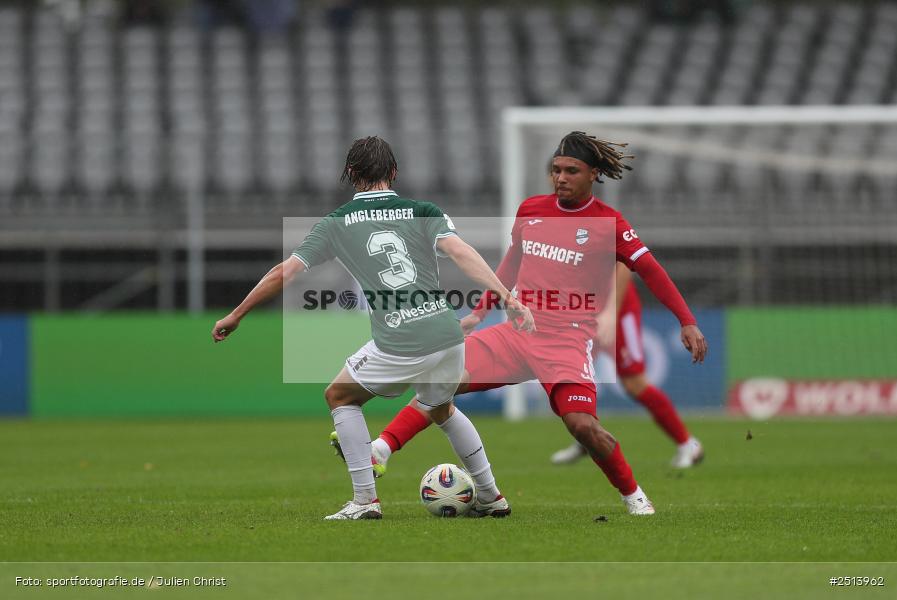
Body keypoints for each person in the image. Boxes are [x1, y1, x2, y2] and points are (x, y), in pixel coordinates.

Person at [354, 131, 708, 517]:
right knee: (440, 379)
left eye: (571, 171)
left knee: (582, 426)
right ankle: (381, 449)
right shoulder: (531, 210)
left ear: (593, 174)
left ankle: (634, 495)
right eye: (556, 170)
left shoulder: (609, 223)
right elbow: (511, 265)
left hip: (566, 341)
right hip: (517, 333)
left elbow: (650, 270)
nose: (561, 178)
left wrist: (686, 321)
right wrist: (479, 313)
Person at [212, 136, 534, 520]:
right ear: (393, 172)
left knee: (339, 396)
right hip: (448, 334)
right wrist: (507, 297)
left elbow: (285, 272)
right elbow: (461, 253)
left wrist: (237, 314)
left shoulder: (335, 224)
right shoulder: (423, 210)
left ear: (350, 173)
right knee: (441, 409)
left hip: (402, 338)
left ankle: (365, 500)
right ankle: (491, 495)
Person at [550, 262, 704, 467]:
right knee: (573, 375)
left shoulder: (606, 238)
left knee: (634, 383)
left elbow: (622, 265)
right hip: (585, 306)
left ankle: (688, 444)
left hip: (618, 309)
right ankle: (587, 440)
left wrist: (612, 312)